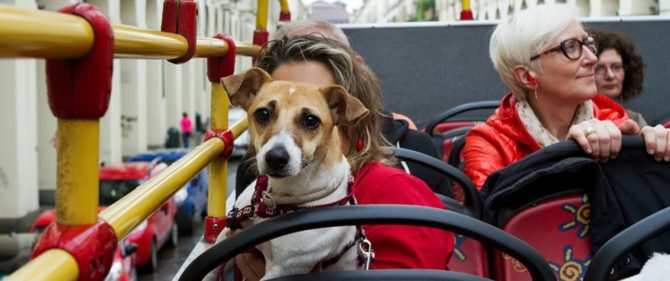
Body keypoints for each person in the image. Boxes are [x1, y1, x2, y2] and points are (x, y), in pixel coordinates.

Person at [229, 35, 454, 280]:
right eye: (265, 113)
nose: (281, 140)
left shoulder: (399, 194)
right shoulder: (258, 184)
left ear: (343, 111)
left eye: (309, 118)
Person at [462, 4, 670, 190]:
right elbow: (490, 222)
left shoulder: (616, 122)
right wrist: (569, 156)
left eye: (587, 43)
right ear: (527, 76)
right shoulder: (488, 143)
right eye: (570, 47)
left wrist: (656, 156)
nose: (592, 58)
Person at [236, 19, 448, 197]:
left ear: (343, 103)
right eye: (266, 114)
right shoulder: (257, 166)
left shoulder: (414, 154)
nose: (280, 148)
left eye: (310, 117)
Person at [590, 28, 647, 127]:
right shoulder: (580, 117)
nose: (610, 76)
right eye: (599, 68)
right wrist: (590, 132)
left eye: (616, 67)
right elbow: (584, 132)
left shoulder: (634, 120)